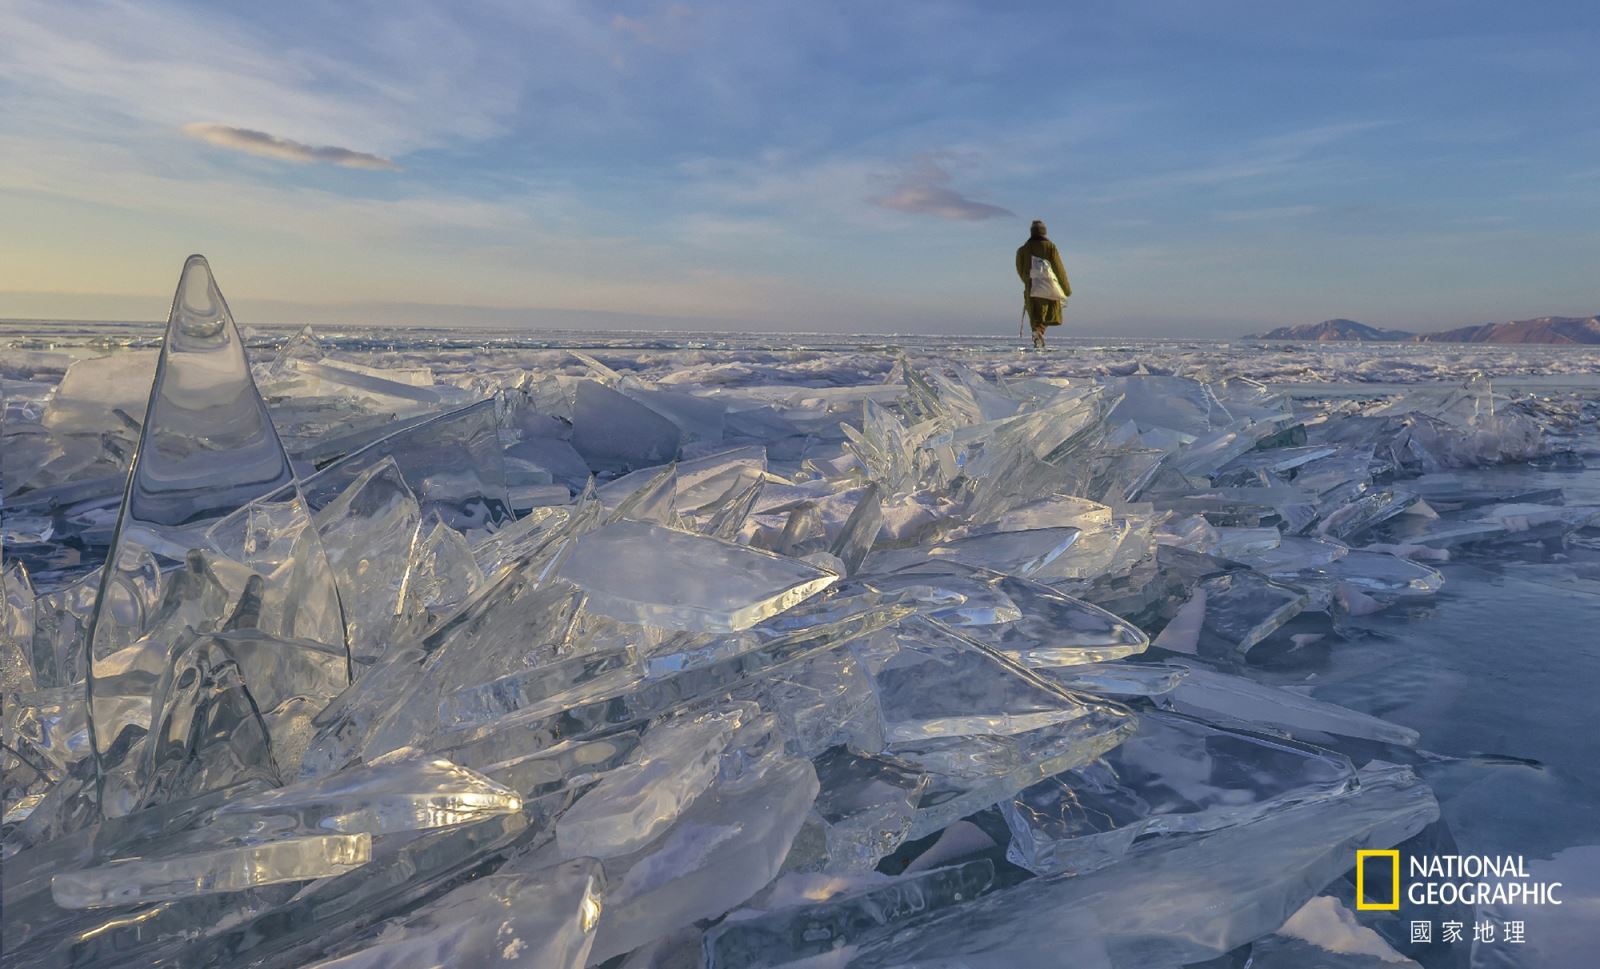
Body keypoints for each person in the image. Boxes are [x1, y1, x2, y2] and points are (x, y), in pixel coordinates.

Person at [1014, 219, 1071, 350]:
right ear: (1044, 232)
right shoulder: (1050, 247)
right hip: (1049, 287)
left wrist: (1027, 281)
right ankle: (1039, 332)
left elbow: (1019, 268)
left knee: (1035, 315)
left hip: (1031, 287)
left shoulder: (1023, 249)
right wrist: (1066, 288)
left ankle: (1037, 332)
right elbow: (1058, 268)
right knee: (1049, 314)